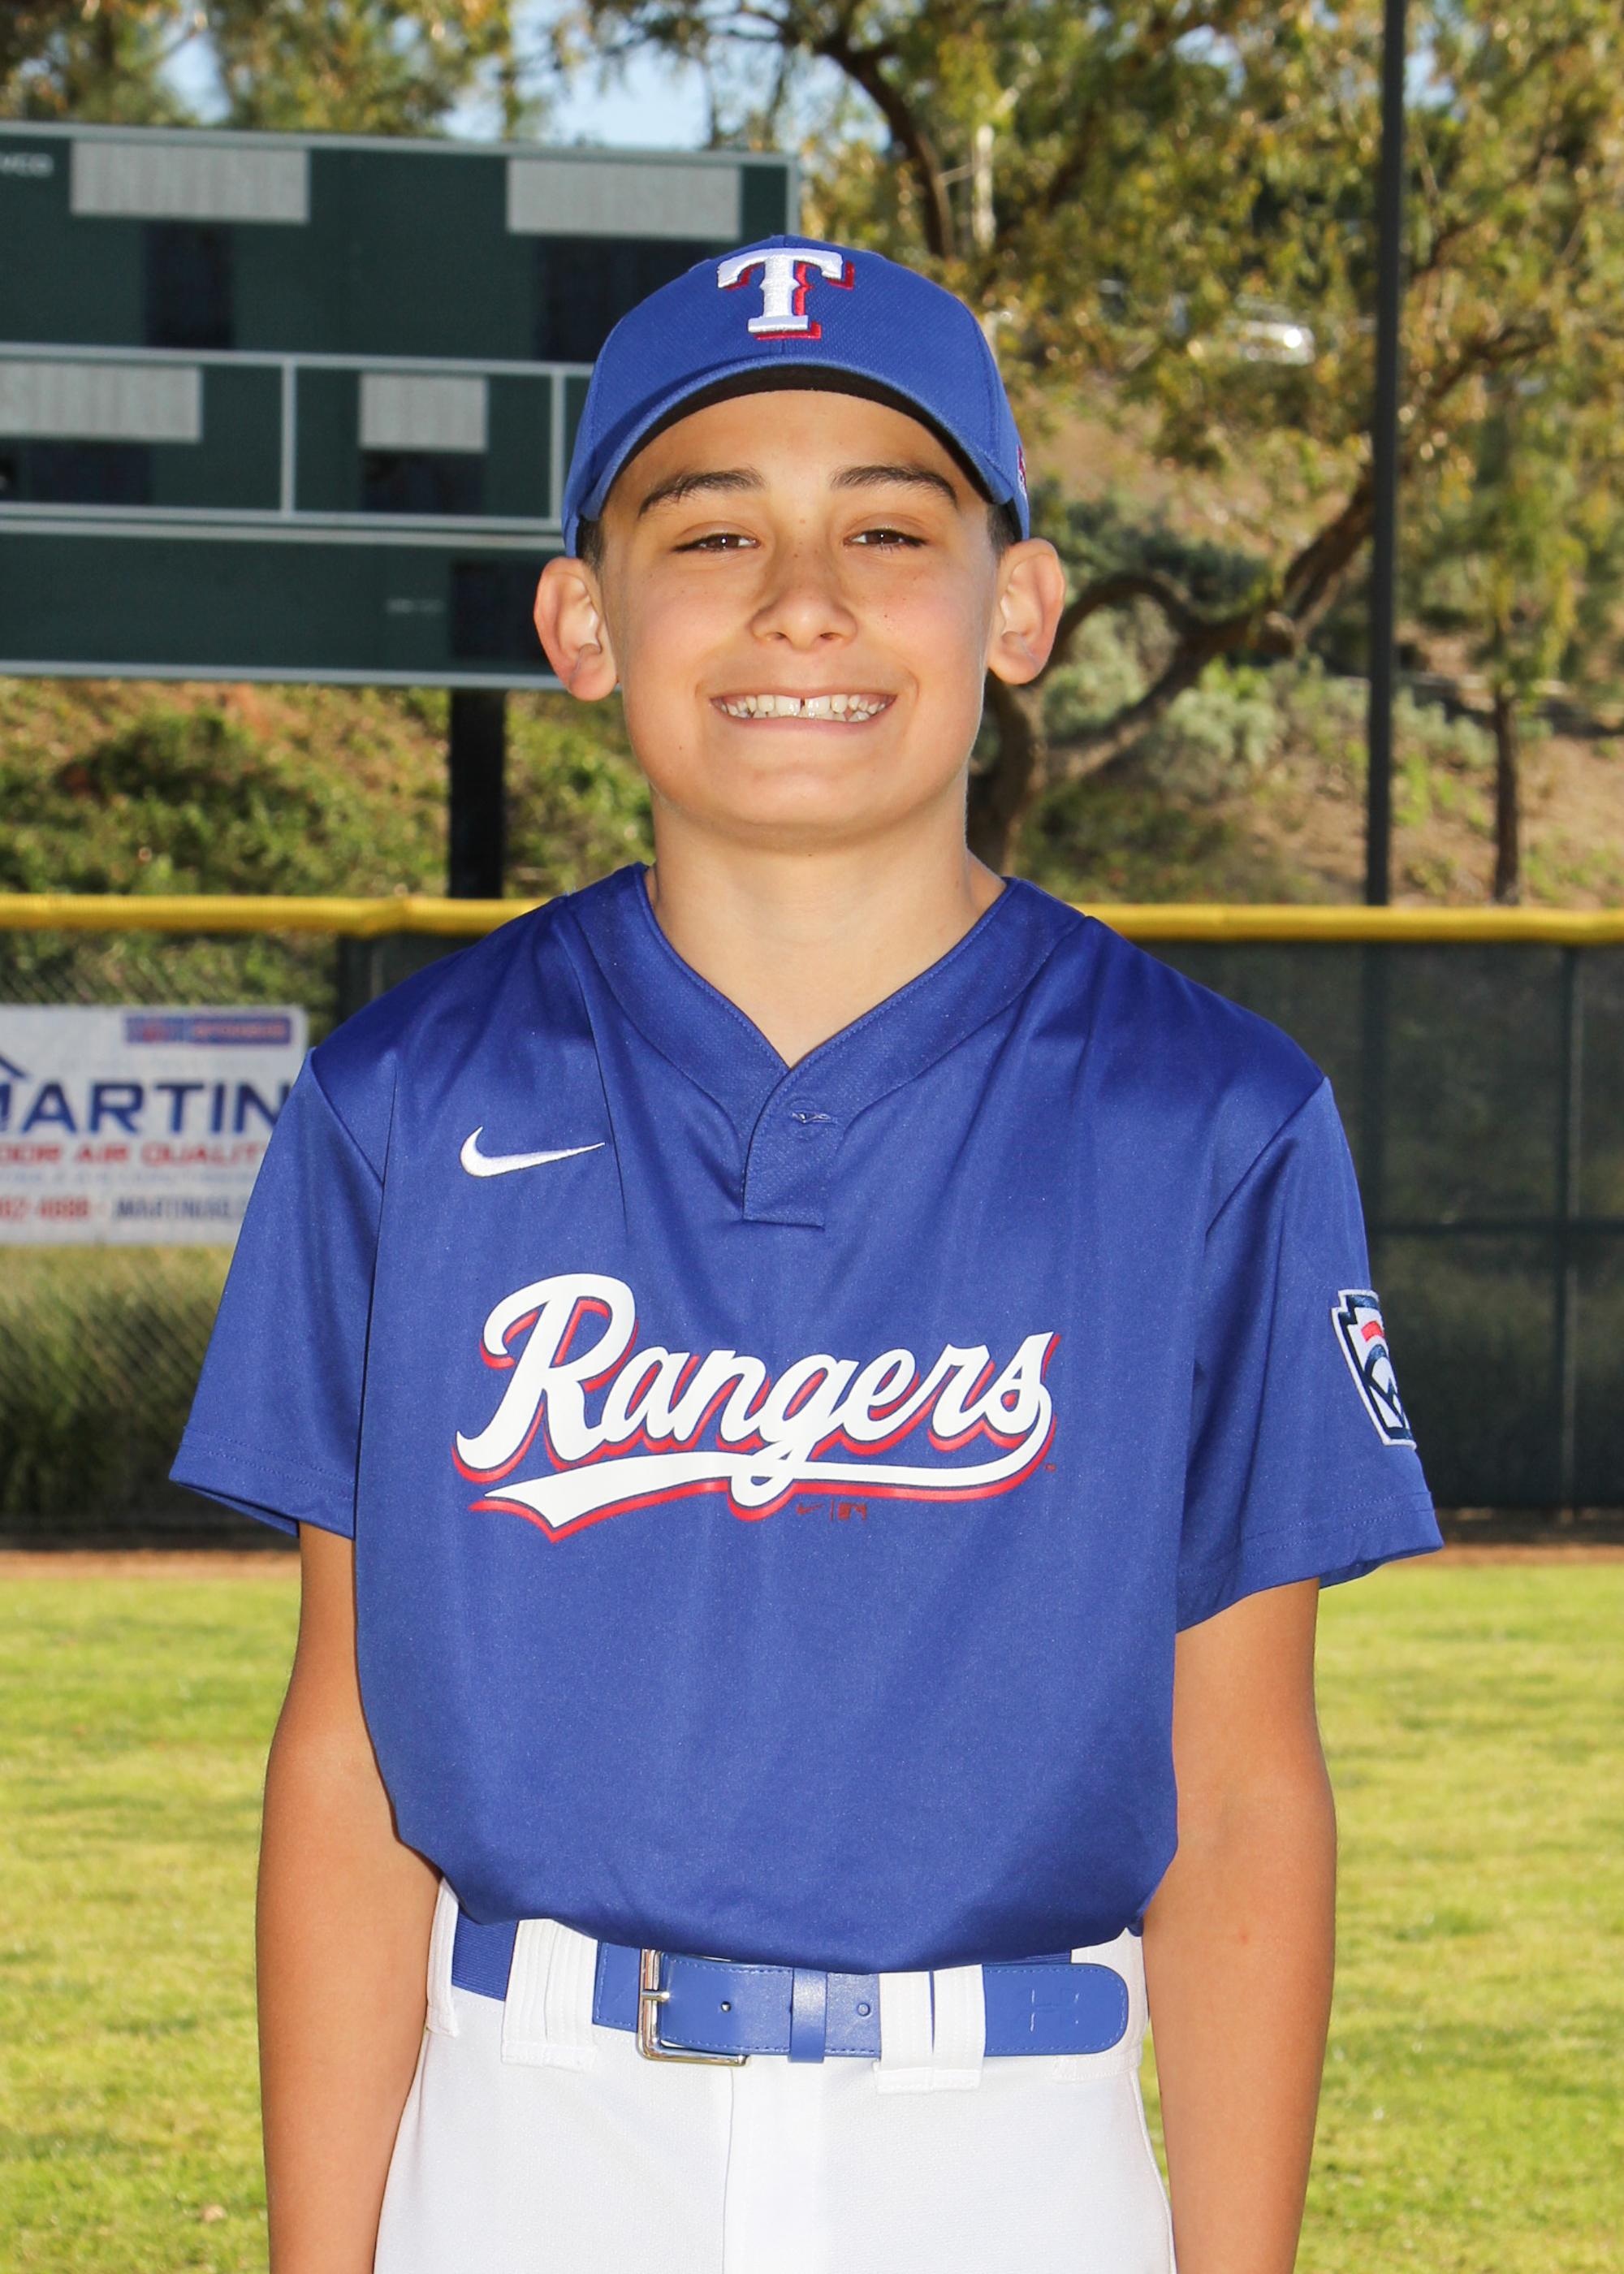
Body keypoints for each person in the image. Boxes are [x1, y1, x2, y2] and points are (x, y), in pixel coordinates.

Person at [174, 236, 1440, 2274]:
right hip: (526, 2133)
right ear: (582, 623)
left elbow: (1239, 1786)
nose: (801, 600)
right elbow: (345, 1754)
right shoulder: (403, 1100)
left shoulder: (1207, 1115)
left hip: (1009, 2150)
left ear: (1016, 607)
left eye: (887, 527)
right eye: (709, 532)